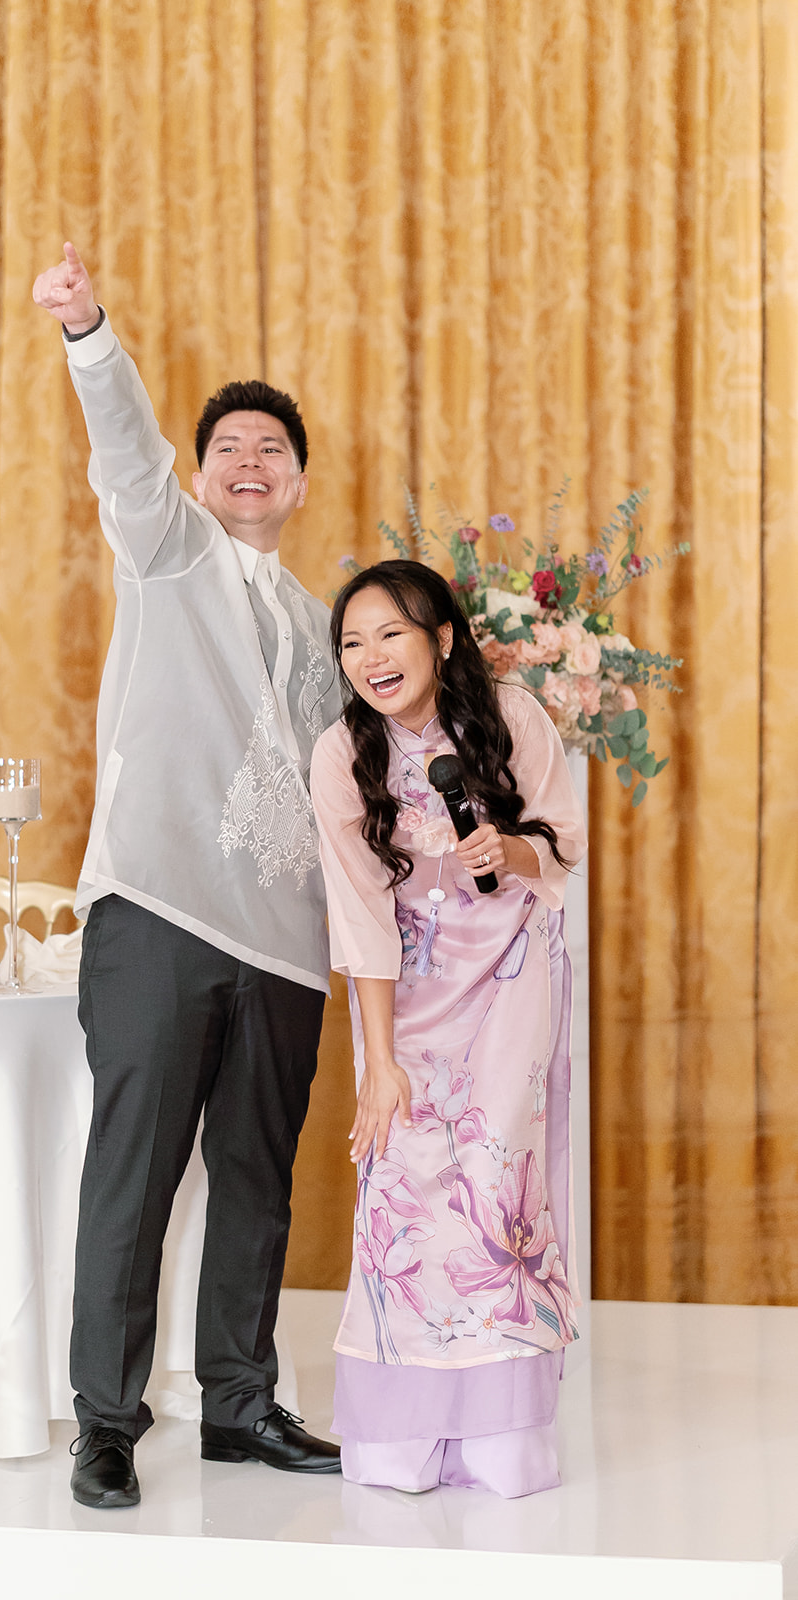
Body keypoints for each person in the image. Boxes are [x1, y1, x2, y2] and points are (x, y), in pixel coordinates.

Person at [31, 243, 344, 1508]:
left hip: (283, 944)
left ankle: (237, 1402)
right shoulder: (166, 552)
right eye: (231, 449)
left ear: (302, 480)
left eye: (273, 449)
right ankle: (103, 1420)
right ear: (202, 476)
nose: (251, 461)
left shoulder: (332, 623)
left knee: (257, 1183)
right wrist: (89, 332)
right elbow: (124, 447)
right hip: (156, 913)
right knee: (137, 1171)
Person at [309, 559, 587, 1498]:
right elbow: (358, 917)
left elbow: (559, 840)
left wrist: (505, 848)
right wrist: (377, 1061)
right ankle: (401, 1441)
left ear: (441, 638)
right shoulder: (340, 756)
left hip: (510, 981)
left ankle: (499, 1440)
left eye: (390, 633)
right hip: (406, 994)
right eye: (352, 641)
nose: (370, 657)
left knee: (492, 1182)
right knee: (401, 1183)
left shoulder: (511, 717)